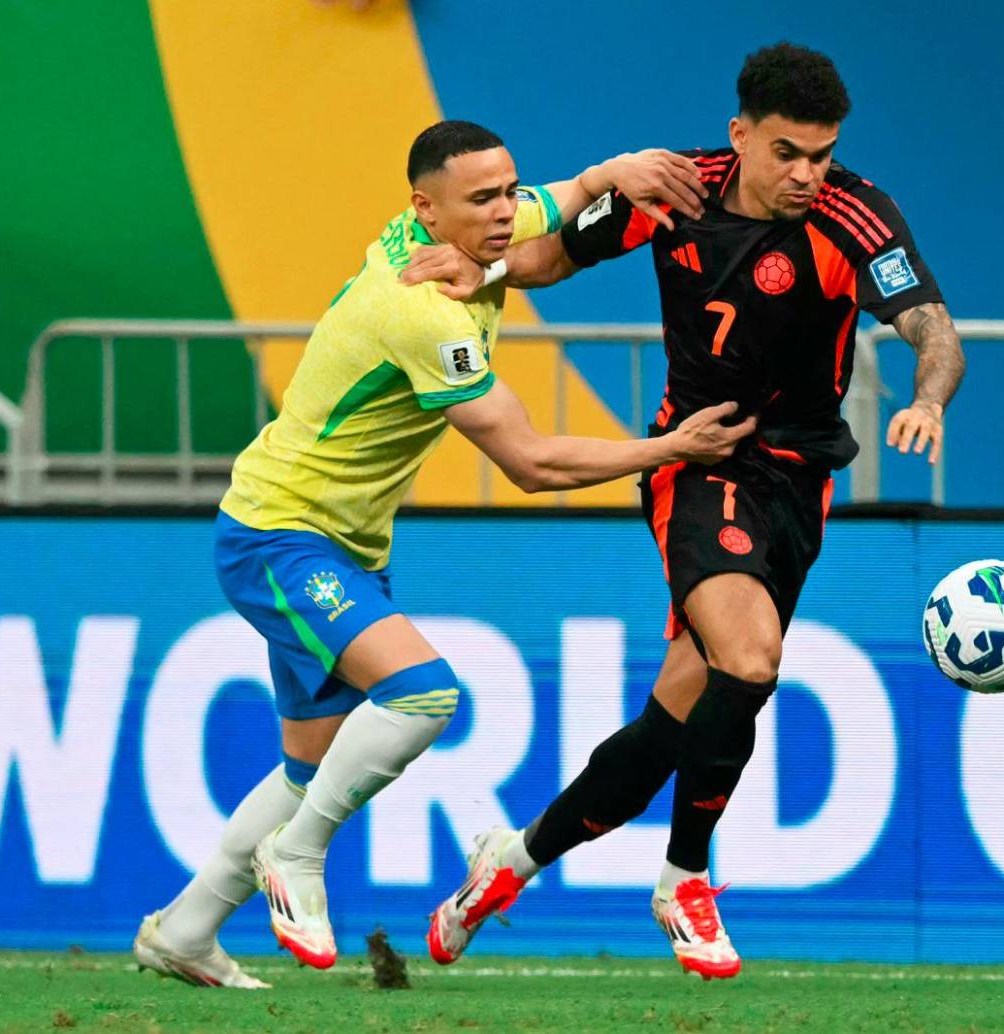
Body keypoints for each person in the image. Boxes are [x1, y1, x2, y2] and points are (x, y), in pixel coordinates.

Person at [132, 119, 754, 988]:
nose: (505, 215)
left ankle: (186, 930)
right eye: (483, 201)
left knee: (304, 766)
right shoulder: (420, 307)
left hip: (337, 541)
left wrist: (611, 169)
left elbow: (559, 200)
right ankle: (299, 855)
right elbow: (531, 463)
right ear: (426, 209)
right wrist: (669, 449)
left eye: (507, 192)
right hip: (280, 534)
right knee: (423, 694)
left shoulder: (461, 231)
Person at [405, 44, 966, 980]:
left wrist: (929, 398)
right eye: (787, 153)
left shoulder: (852, 214)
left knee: (677, 721)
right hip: (698, 458)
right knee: (749, 659)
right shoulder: (673, 190)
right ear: (738, 136)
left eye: (823, 155)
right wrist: (484, 272)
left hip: (800, 480)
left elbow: (932, 329)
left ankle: (509, 862)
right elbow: (547, 257)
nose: (807, 176)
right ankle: (685, 877)